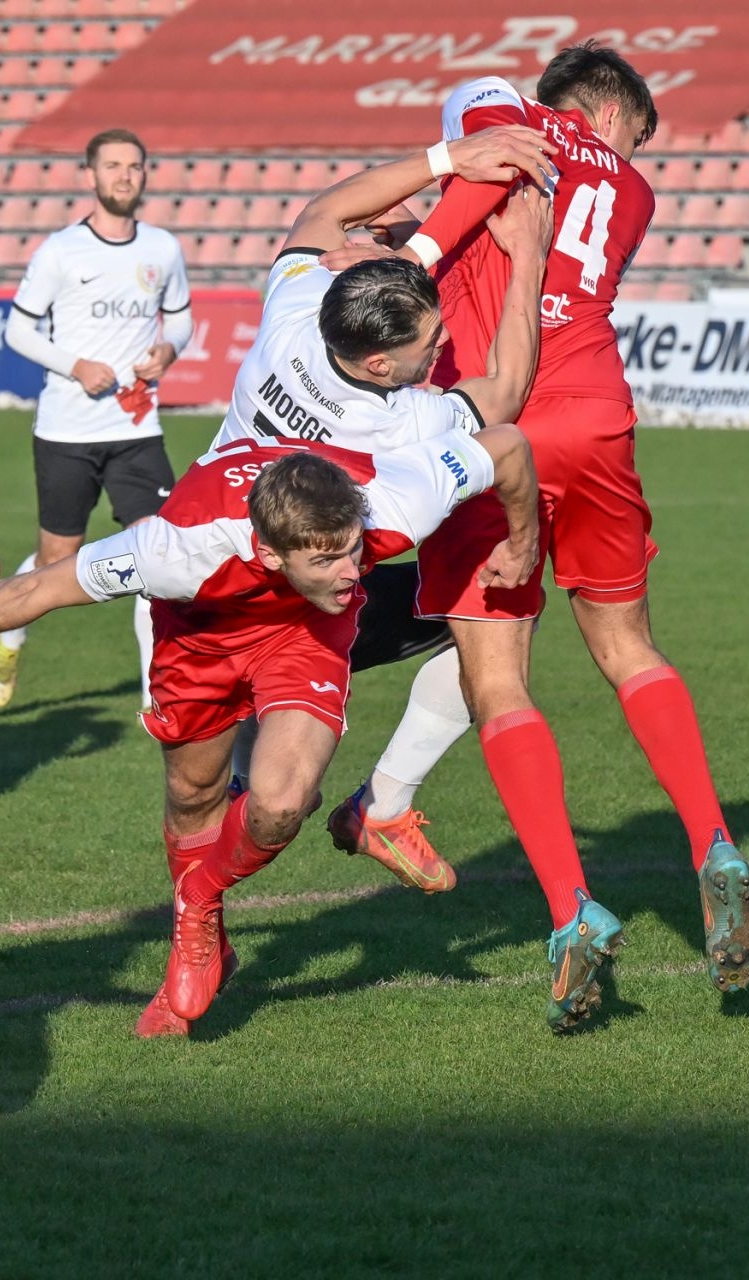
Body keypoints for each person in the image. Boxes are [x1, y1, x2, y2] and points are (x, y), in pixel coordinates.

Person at [0, 423, 537, 1038]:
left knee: (279, 804)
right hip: (199, 644)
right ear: (269, 554)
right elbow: (37, 589)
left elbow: (508, 445)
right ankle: (203, 930)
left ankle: (195, 907)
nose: (355, 571)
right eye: (327, 561)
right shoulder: (173, 548)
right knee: (193, 796)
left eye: (356, 552)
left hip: (304, 635)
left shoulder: (391, 502)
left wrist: (524, 537)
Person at [340, 42, 749, 1002]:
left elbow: (473, 173)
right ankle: (716, 842)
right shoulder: (635, 192)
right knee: (629, 647)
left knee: (498, 680)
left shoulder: (507, 126)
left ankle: (573, 906)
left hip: (498, 423)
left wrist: (411, 250)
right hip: (599, 409)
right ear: (615, 116)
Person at [203, 129, 556, 897]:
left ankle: (250, 775)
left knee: (232, 791)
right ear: (377, 365)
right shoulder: (403, 426)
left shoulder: (293, 317)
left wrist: (446, 164)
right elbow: (509, 390)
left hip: (206, 585)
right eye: (428, 346)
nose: (443, 345)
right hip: (297, 613)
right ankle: (382, 803)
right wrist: (528, 257)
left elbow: (323, 212)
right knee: (496, 624)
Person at [0, 127, 192, 714]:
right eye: (113, 166)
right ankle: (10, 639)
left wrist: (169, 351)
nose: (124, 175)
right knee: (58, 559)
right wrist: (74, 365)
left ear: (145, 175)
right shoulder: (59, 251)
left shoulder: (162, 248)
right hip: (67, 431)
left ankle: (157, 694)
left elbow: (179, 321)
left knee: (161, 553)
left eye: (134, 165)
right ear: (91, 176)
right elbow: (17, 330)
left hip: (135, 430)